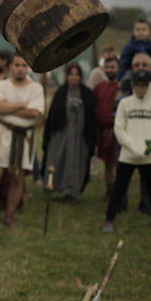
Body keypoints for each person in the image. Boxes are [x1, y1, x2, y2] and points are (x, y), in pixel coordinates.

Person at [102, 70, 151, 235]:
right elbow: (119, 129)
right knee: (119, 188)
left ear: (149, 86)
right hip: (128, 155)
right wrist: (133, 147)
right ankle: (109, 220)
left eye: (143, 85)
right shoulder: (125, 103)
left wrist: (149, 147)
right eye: (137, 85)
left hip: (150, 155)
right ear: (133, 86)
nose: (140, 89)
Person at [0, 54, 45, 226]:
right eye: (17, 65)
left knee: (17, 178)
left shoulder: (36, 88)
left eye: (24, 65)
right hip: (2, 134)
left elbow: (35, 113)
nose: (21, 68)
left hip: (23, 137)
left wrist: (8, 108)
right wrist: (22, 105)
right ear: (10, 66)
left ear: (28, 67)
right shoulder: (1, 85)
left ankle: (10, 215)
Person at [42, 63, 96, 200]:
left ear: (81, 77)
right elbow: (53, 115)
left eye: (77, 74)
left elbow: (91, 117)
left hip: (79, 137)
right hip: (61, 135)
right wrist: (49, 134)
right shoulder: (60, 93)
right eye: (71, 74)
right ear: (67, 76)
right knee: (56, 159)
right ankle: (53, 185)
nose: (74, 77)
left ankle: (71, 191)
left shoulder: (87, 94)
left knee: (75, 162)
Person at [93, 56, 121, 199]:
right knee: (107, 165)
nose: (109, 70)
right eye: (107, 67)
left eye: (113, 67)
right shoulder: (100, 86)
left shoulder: (121, 87)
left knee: (115, 164)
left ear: (118, 68)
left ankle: (117, 193)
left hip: (117, 132)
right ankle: (109, 191)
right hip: (103, 132)